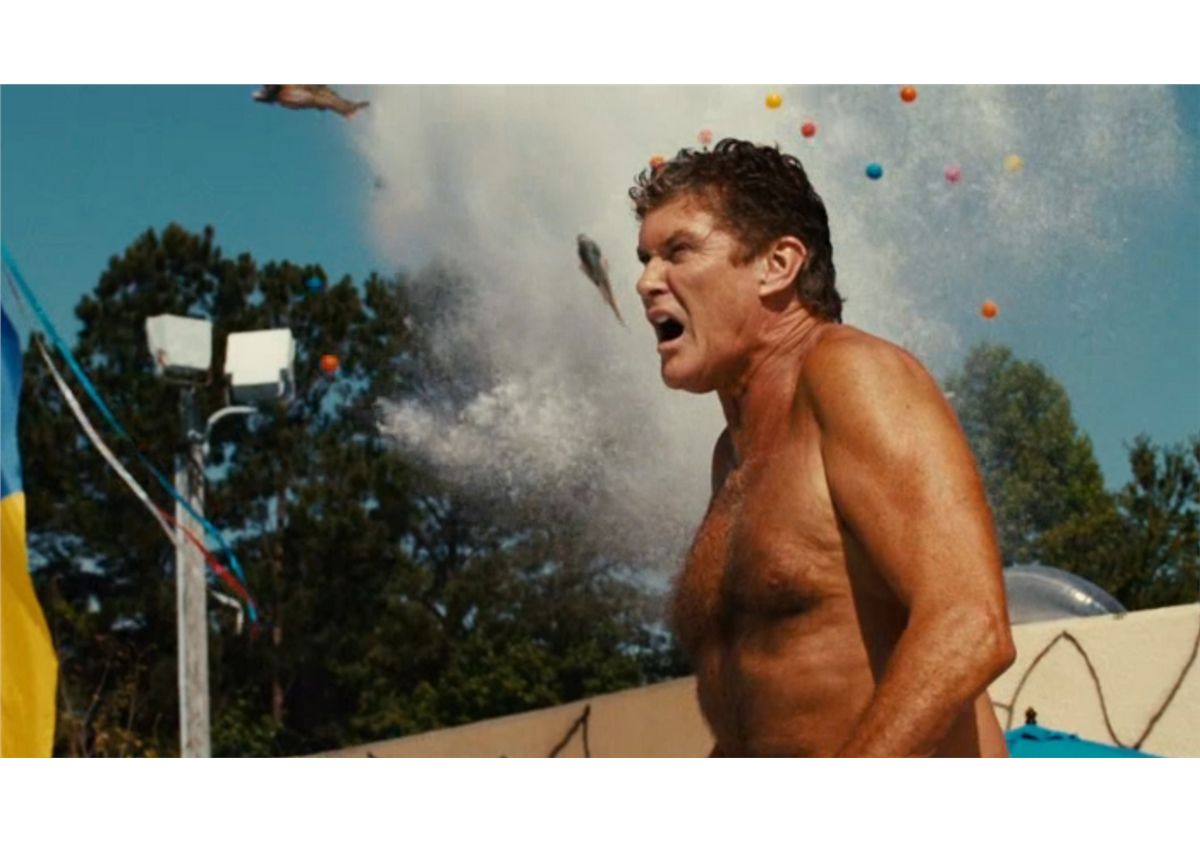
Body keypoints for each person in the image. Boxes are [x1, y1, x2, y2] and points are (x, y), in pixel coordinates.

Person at [629, 139, 1016, 757]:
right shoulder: (731, 456)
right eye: (645, 259)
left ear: (777, 264)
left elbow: (970, 623)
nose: (647, 282)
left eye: (678, 252)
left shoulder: (851, 374)